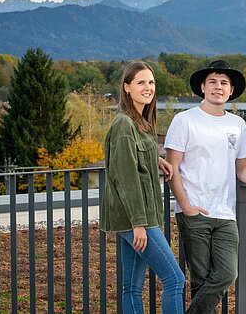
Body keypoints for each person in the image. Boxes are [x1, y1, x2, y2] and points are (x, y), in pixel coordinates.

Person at [164, 59, 246, 314]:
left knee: (226, 273)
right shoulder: (184, 120)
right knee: (200, 280)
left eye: (224, 83)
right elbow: (171, 167)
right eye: (212, 82)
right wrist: (186, 206)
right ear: (202, 87)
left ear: (231, 90)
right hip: (194, 210)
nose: (218, 87)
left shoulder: (237, 124)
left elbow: (242, 167)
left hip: (225, 214)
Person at [100, 61, 185, 313]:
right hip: (137, 218)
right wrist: (138, 224)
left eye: (151, 82)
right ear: (127, 88)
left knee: (131, 287)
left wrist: (154, 159)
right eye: (140, 82)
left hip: (135, 217)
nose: (148, 87)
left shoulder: (140, 122)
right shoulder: (124, 125)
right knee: (174, 279)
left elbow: (131, 159)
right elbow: (125, 179)